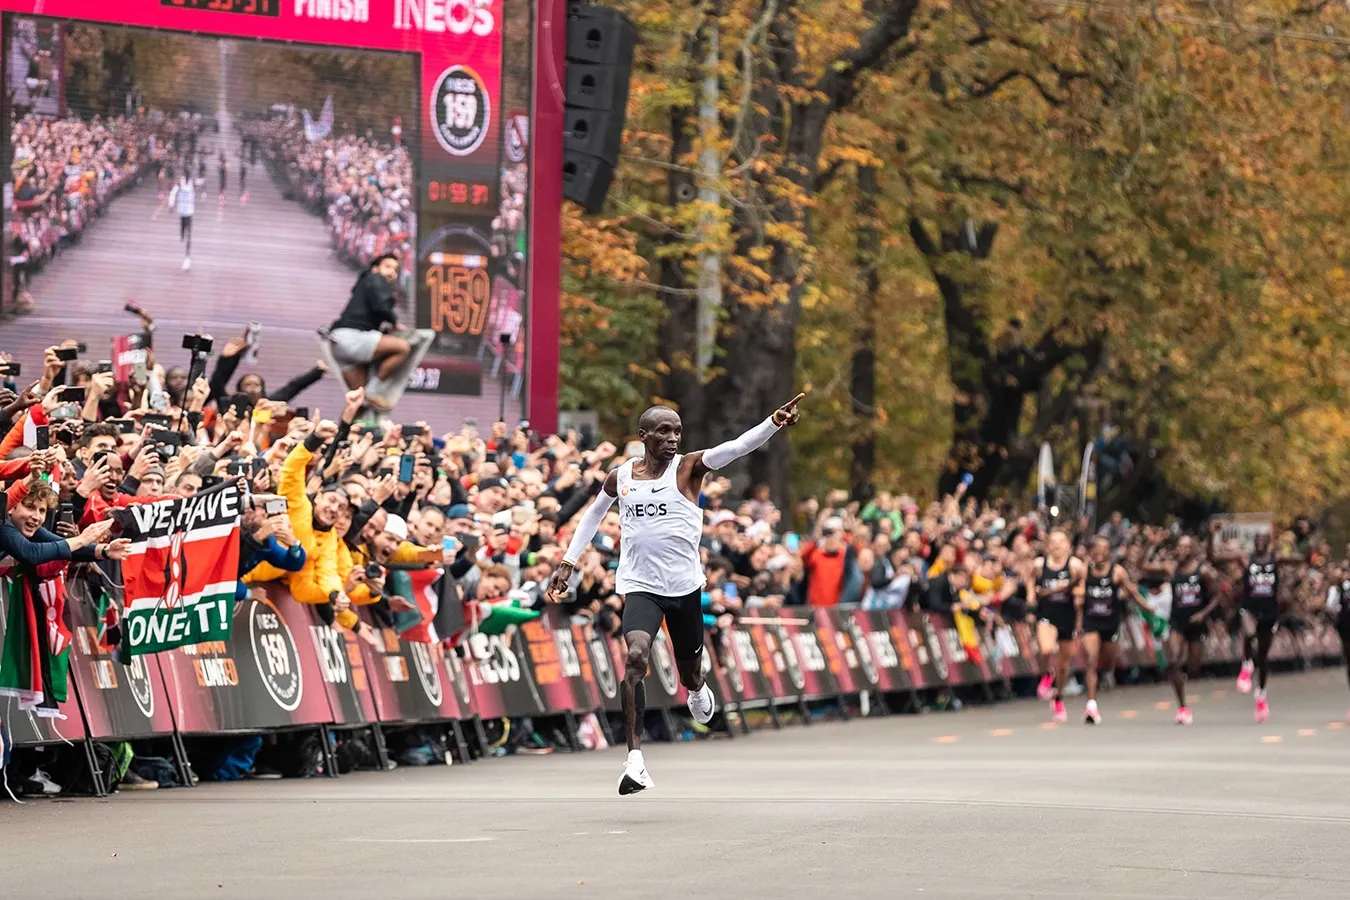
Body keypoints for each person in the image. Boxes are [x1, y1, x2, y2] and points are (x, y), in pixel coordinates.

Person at [547, 393, 805, 795]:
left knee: (690, 673)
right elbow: (595, 513)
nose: (672, 439)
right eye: (664, 431)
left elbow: (736, 448)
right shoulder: (622, 476)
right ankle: (635, 761)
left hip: (685, 589)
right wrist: (568, 561)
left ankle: (698, 689)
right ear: (644, 435)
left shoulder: (688, 469)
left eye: (678, 432)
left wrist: (773, 421)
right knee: (635, 656)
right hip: (640, 586)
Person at [1209, 525, 1297, 723]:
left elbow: (1303, 559)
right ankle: (1246, 665)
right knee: (1249, 633)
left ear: (1269, 542)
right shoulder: (1245, 558)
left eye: (1262, 539)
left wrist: (1308, 549)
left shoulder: (1276, 559)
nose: (1258, 542)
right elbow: (1214, 556)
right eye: (1256, 539)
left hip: (1270, 611)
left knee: (1264, 656)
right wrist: (1211, 536)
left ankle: (1261, 694)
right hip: (1249, 607)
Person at [1150, 536, 1222, 725]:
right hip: (1177, 621)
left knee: (1193, 668)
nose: (1180, 551)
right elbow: (1143, 565)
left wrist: (1203, 614)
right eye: (1179, 547)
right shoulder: (1171, 569)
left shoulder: (1203, 571)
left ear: (1192, 550)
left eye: (1185, 548)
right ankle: (1182, 707)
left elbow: (1217, 596)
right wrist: (1151, 543)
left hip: (1196, 623)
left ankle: (1186, 682)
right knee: (1173, 660)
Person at [1080, 536, 1150, 724]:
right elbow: (1074, 591)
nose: (1100, 552)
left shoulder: (1117, 572)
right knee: (1091, 660)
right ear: (1091, 551)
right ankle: (1091, 704)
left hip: (1110, 623)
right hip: (1090, 621)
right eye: (1097, 548)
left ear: (1109, 551)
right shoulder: (1084, 571)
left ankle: (1106, 675)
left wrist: (1147, 608)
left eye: (1104, 548)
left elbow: (1133, 592)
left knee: (1107, 662)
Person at [324, 254, 411, 405]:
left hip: (337, 344)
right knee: (403, 348)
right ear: (375, 268)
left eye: (396, 270)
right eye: (388, 267)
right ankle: (374, 390)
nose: (392, 272)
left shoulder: (364, 283)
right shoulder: (375, 278)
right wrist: (394, 322)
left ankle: (349, 426)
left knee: (357, 403)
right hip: (353, 337)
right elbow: (381, 306)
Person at [1029, 529, 1085, 723]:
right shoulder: (1039, 564)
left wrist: (1074, 594)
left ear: (1068, 545)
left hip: (1067, 614)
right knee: (1045, 649)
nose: (1057, 545)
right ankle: (1047, 674)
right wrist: (1031, 595)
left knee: (1064, 664)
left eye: (1061, 541)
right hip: (1046, 613)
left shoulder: (1075, 565)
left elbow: (1082, 587)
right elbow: (1029, 577)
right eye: (1053, 541)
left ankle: (1059, 699)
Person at [168, 171, 195, 271]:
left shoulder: (192, 183)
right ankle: (182, 237)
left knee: (188, 234)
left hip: (189, 212)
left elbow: (198, 182)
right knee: (182, 231)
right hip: (182, 211)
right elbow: (173, 192)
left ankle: (187, 256)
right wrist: (171, 204)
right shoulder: (180, 184)